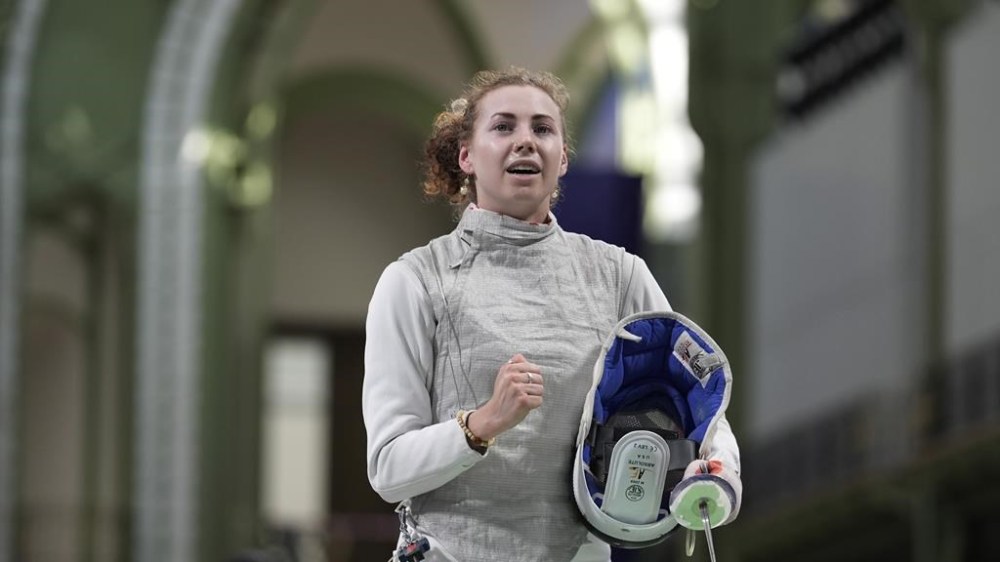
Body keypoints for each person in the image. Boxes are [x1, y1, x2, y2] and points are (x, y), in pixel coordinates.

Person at [362, 66, 741, 562]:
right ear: (467, 156)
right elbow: (389, 469)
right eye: (503, 127)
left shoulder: (618, 275)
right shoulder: (415, 281)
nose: (525, 141)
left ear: (562, 159)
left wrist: (716, 472)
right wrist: (481, 423)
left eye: (542, 129)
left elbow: (700, 401)